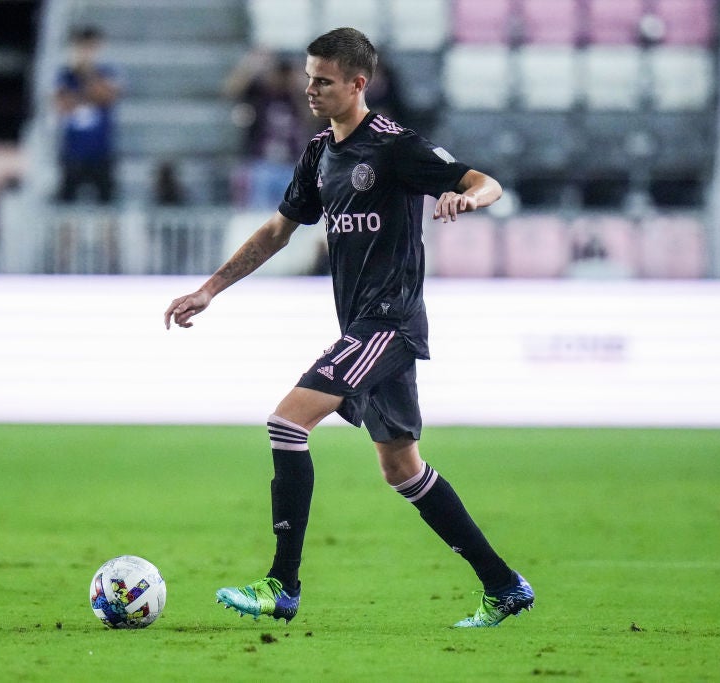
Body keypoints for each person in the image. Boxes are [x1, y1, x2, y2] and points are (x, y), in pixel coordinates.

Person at [164, 27, 534, 628]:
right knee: (402, 469)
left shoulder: (392, 145)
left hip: (389, 323)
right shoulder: (318, 154)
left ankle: (282, 586)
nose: (309, 89)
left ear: (358, 84)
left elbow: (483, 181)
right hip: (365, 325)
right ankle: (504, 585)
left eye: (323, 81)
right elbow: (277, 233)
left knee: (287, 422)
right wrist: (209, 289)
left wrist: (468, 201)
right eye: (309, 77)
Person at [223, 49, 308, 209]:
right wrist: (251, 64)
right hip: (260, 164)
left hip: (292, 165)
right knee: (258, 217)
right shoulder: (258, 93)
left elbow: (312, 119)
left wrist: (305, 83)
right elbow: (230, 90)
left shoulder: (297, 98)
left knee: (293, 218)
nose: (281, 78)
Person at [53, 25, 121, 204]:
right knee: (66, 204)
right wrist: (90, 95)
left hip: (101, 150)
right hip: (73, 151)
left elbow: (107, 97)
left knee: (107, 204)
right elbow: (62, 105)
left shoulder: (107, 72)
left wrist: (87, 81)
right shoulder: (65, 75)